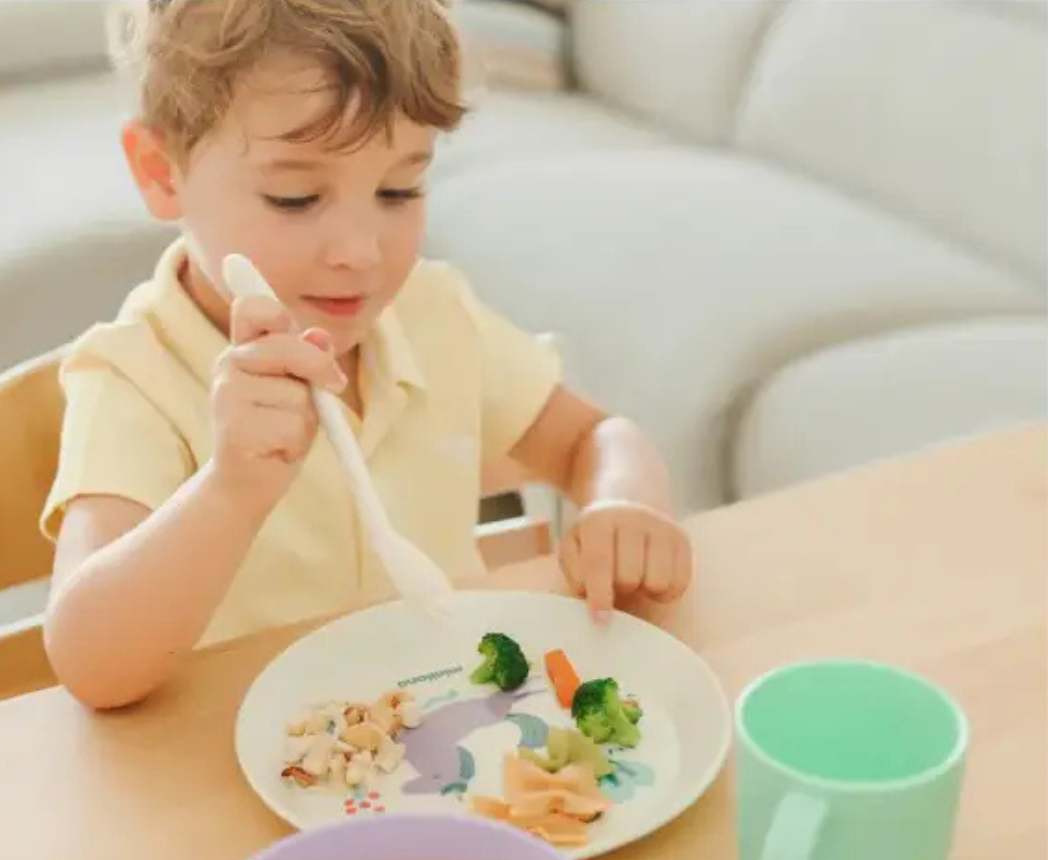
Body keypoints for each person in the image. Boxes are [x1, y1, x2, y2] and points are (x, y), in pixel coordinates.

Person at [42, 0, 693, 710]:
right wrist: (230, 490)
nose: (360, 253)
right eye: (294, 197)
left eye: (398, 189)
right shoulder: (132, 378)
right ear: (161, 172)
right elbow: (92, 663)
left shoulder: (434, 314)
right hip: (234, 775)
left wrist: (625, 503)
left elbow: (597, 437)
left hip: (445, 736)